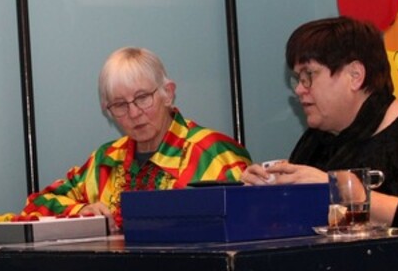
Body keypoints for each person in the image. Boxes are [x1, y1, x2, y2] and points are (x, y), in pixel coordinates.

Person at [241, 16, 398, 229]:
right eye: (298, 78)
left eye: (309, 75)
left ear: (355, 75)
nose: (299, 90)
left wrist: (351, 193)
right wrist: (262, 195)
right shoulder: (316, 139)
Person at [21, 46, 252, 230]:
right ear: (108, 111)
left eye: (142, 98)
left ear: (168, 94)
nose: (133, 113)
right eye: (120, 104)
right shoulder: (106, 160)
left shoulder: (213, 152)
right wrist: (80, 212)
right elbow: (37, 204)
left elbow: (252, 220)